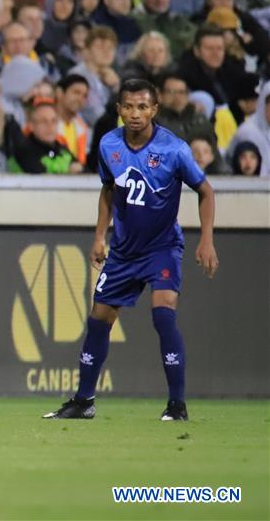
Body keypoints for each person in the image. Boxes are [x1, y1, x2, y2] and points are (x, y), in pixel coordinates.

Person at [44, 78, 218, 421]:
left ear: (155, 109)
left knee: (163, 314)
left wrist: (207, 239)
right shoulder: (109, 144)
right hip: (123, 251)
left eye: (142, 107)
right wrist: (99, 236)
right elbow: (110, 190)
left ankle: (177, 405)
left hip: (162, 247)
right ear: (118, 109)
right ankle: (84, 401)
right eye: (128, 106)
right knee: (98, 322)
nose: (135, 114)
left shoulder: (174, 149)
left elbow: (206, 191)